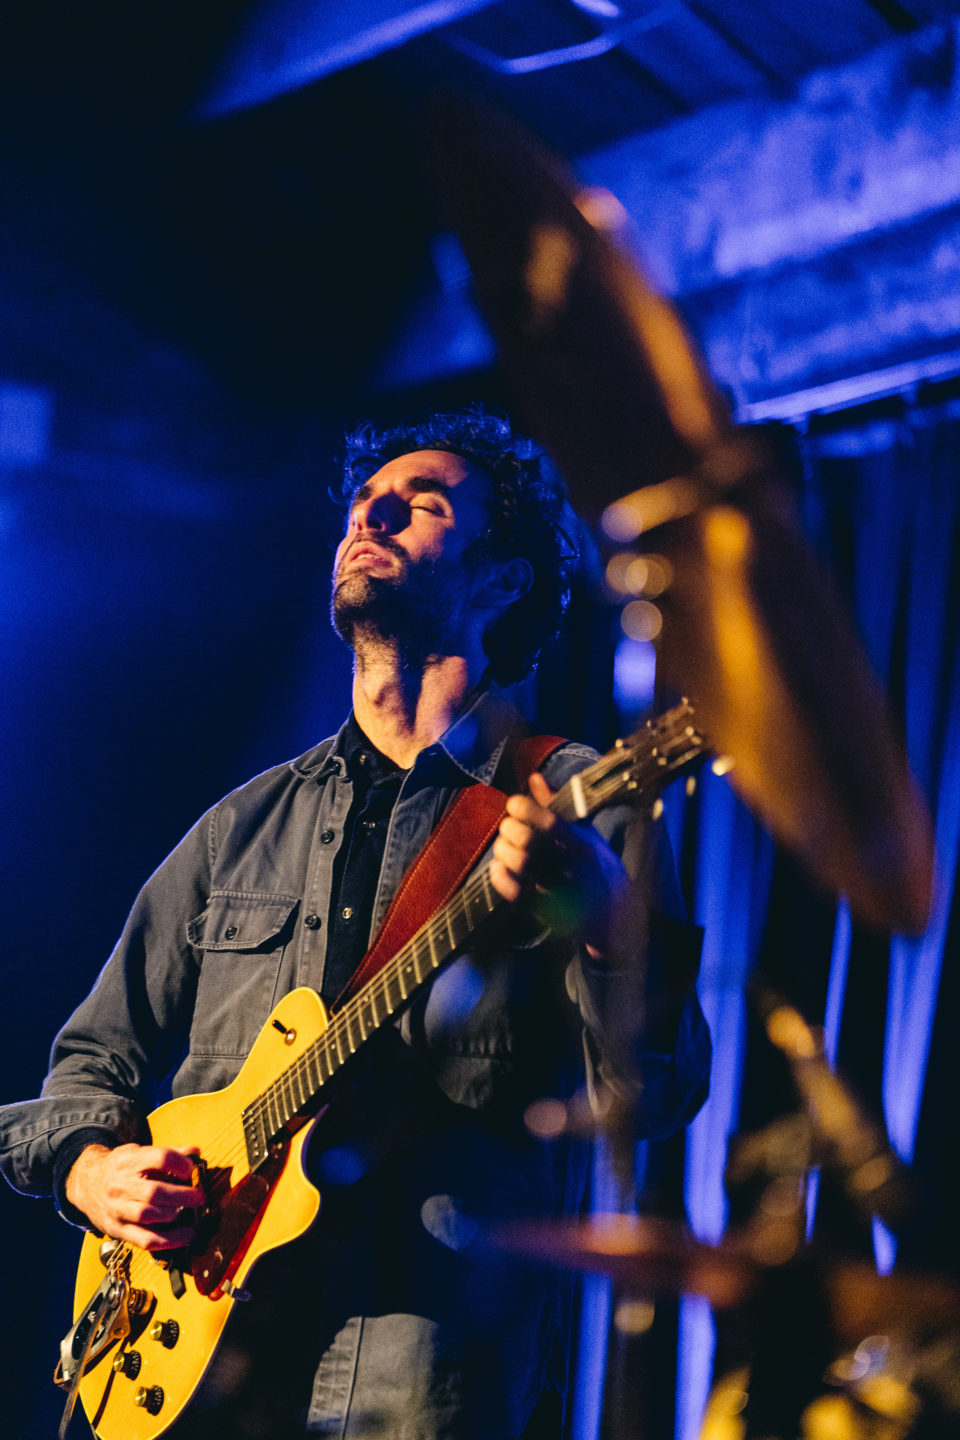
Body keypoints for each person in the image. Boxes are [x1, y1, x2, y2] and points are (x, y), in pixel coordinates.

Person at [0, 408, 709, 1438]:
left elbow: (659, 1094)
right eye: (364, 501)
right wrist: (91, 1169)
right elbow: (84, 1071)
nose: (369, 512)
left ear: (504, 579)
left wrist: (603, 921)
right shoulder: (236, 831)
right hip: (200, 1368)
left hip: (422, 1372)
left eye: (420, 505)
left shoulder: (571, 802)